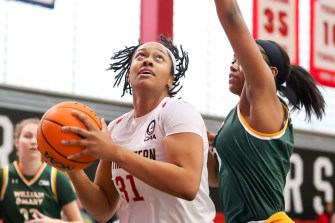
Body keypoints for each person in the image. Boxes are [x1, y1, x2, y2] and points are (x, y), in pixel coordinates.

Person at [62, 35, 216, 223]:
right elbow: (103, 210)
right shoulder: (116, 128)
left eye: (158, 58)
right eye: (140, 56)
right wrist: (72, 168)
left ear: (170, 80)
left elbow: (188, 184)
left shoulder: (177, 110)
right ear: (129, 75)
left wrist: (115, 152)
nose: (148, 60)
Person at [207, 0, 326, 222]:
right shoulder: (236, 118)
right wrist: (198, 138)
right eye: (233, 59)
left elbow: (232, 16)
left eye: (241, 59)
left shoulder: (264, 97)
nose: (234, 64)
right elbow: (216, 178)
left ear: (270, 72)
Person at [0, 118, 83, 223]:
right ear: (17, 142)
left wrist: (53, 222)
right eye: (27, 136)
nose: (33, 141)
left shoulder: (56, 177)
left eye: (38, 137)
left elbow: (78, 221)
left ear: (45, 142)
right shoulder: (3, 175)